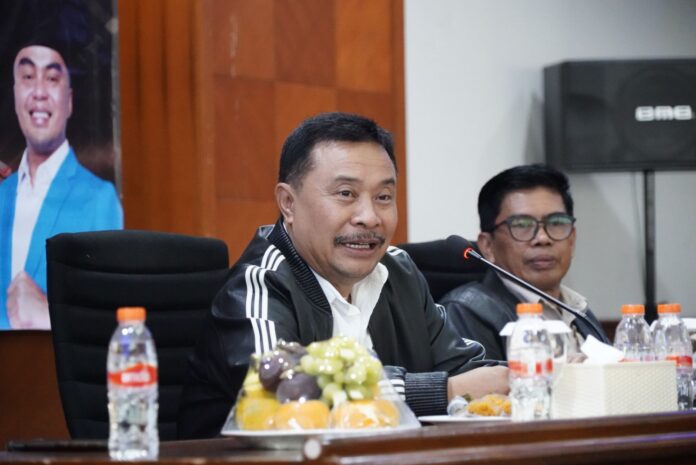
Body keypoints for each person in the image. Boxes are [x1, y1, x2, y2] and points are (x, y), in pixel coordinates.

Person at [178, 112, 508, 439]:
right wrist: (444, 391)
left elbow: (471, 370)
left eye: (383, 197)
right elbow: (286, 394)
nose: (369, 217)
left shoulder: (399, 271)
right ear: (288, 203)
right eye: (346, 194)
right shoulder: (258, 285)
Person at [0, 43, 123, 329]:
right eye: (28, 77)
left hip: (55, 357)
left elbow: (114, 316)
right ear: (15, 95)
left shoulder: (101, 198)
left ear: (69, 101)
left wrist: (47, 316)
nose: (39, 91)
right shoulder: (3, 195)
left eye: (52, 78)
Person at [440, 164, 609, 361]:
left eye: (556, 223)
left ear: (572, 240)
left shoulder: (578, 309)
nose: (543, 238)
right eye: (522, 225)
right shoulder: (467, 312)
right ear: (488, 246)